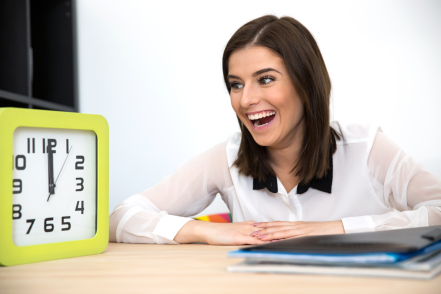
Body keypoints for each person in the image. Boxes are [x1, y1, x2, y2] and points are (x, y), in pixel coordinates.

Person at [109, 15, 441, 245]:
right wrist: (204, 232)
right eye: (235, 85)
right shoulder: (225, 158)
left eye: (265, 79)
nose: (246, 99)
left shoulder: (366, 148)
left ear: (305, 83)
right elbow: (121, 217)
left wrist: (331, 229)